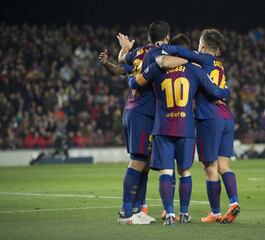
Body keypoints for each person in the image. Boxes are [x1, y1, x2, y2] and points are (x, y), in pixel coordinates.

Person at [128, 34, 230, 225]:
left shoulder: (157, 68)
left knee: (166, 172)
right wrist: (227, 91)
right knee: (185, 172)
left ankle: (169, 214)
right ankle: (184, 213)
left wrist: (131, 74)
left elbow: (134, 83)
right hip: (186, 128)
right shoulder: (195, 69)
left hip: (163, 127)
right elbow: (217, 92)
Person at [158, 29, 240, 223]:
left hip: (209, 117)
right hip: (226, 116)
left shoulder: (202, 59)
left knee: (210, 168)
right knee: (224, 165)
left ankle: (215, 212)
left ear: (202, 46)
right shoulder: (218, 64)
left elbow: (181, 51)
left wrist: (162, 47)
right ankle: (234, 201)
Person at [99, 20, 171, 224]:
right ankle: (125, 211)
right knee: (138, 161)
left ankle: (138, 209)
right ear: (166, 38)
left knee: (146, 162)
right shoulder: (158, 54)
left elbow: (121, 67)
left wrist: (119, 54)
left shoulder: (139, 52)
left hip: (134, 111)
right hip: (142, 113)